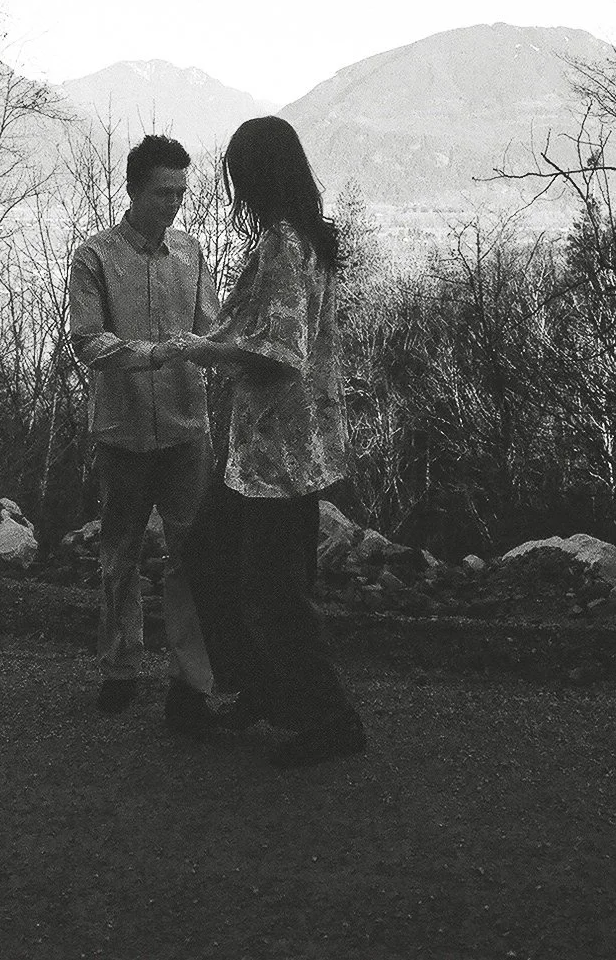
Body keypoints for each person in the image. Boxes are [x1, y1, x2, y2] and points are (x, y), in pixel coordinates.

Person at [157, 116, 366, 769]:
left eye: (240, 177)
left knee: (274, 593)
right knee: (214, 559)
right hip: (273, 452)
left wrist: (204, 350)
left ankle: (330, 718)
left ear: (258, 176)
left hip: (277, 455)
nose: (235, 188)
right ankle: (265, 687)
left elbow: (280, 351)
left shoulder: (283, 244)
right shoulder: (304, 238)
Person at [68, 133, 220, 736]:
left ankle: (193, 682)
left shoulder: (192, 253)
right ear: (133, 189)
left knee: (192, 556)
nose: (174, 204)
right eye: (163, 192)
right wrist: (156, 354)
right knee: (121, 553)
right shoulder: (95, 257)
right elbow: (88, 341)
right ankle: (119, 669)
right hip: (123, 432)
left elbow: (210, 328)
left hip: (187, 430)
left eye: (181, 192)